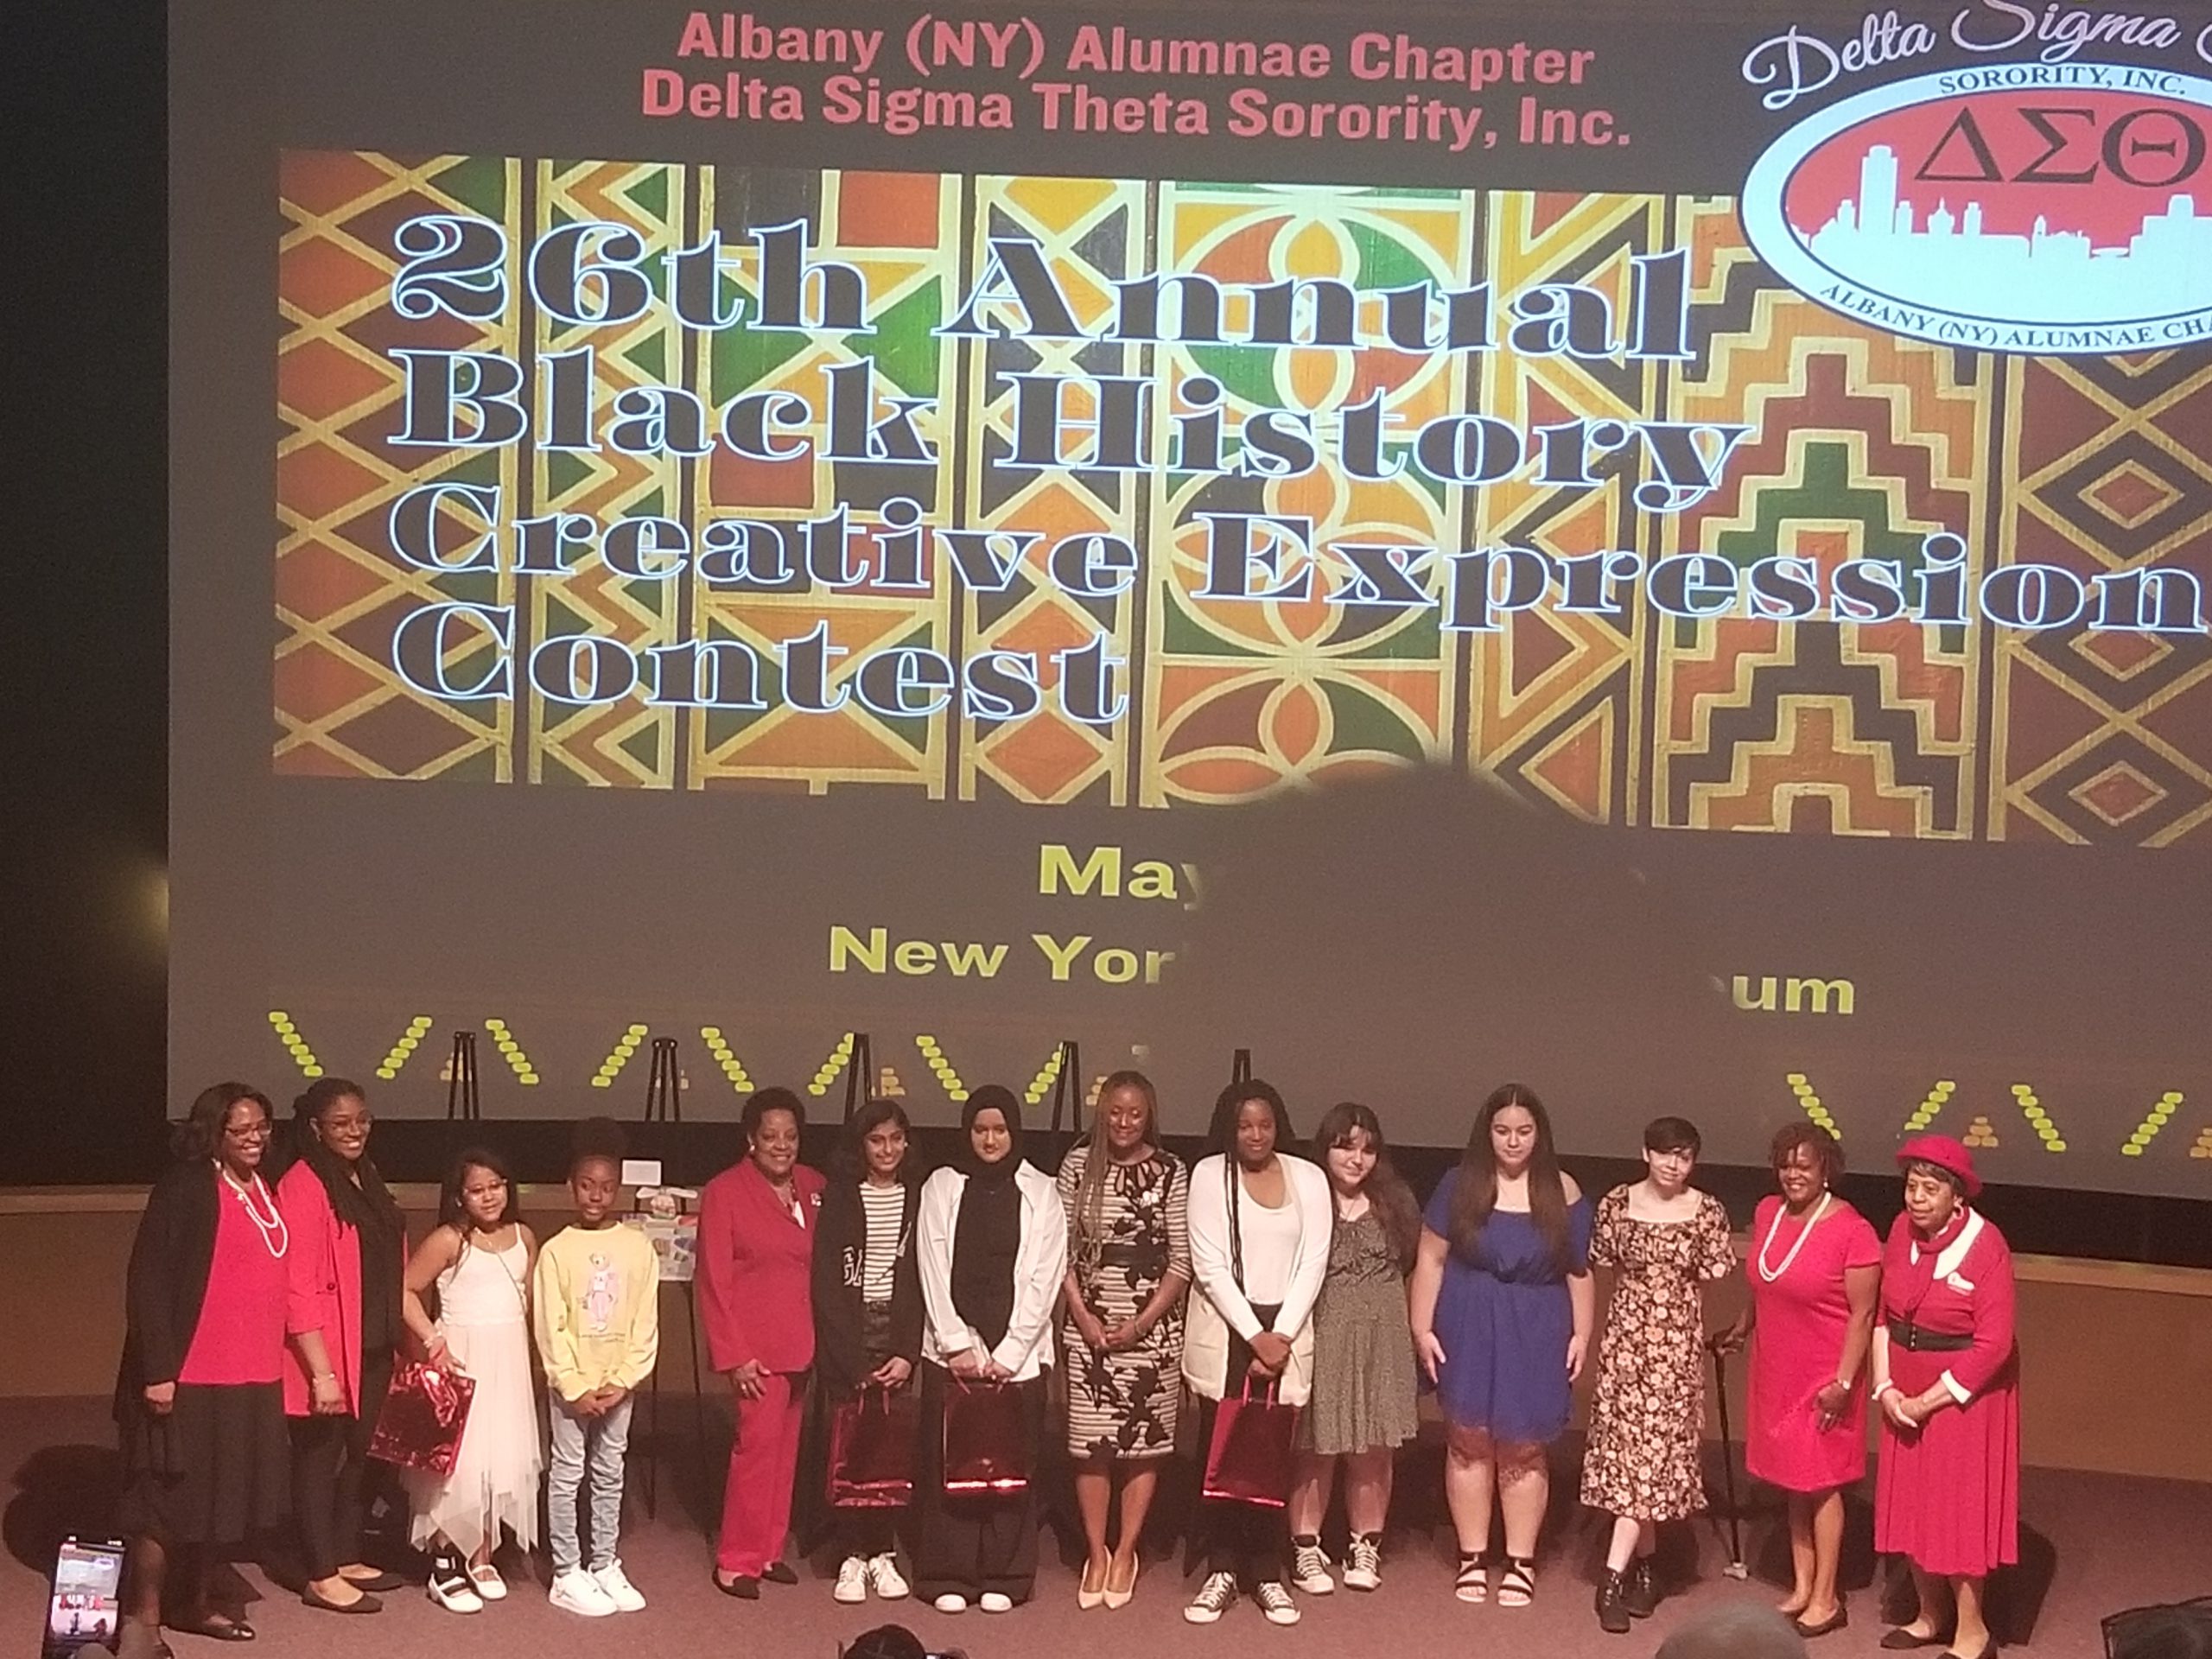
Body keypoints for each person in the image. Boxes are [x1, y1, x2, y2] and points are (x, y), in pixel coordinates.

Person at [114, 1084, 294, 1656]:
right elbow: (149, 1281)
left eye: (262, 1127)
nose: (255, 1138)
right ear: (213, 1132)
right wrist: (158, 1371)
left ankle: (194, 1603)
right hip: (188, 1373)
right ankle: (143, 1621)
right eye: (241, 1129)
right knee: (165, 1504)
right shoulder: (187, 1186)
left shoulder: (264, 1187)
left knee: (221, 1501)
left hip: (252, 1373)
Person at [1408, 1082, 1592, 1610]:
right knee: (1468, 1438)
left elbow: (1579, 1270)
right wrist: (1422, 1329)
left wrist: (1582, 1333)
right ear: (1487, 1133)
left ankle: (1519, 1560)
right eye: (1503, 1131)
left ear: (1540, 1134)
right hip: (1467, 1320)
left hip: (1537, 1325)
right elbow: (1431, 1260)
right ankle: (1471, 1556)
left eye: (1524, 1132)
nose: (1513, 1142)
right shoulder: (1459, 1184)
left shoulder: (1564, 1190)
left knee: (1523, 1445)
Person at [1714, 1123, 1880, 1640]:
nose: (1793, 1175)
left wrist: (1845, 1382)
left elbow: (1864, 1315)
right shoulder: (1768, 1213)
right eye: (1785, 1165)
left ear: (1825, 1168)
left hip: (1827, 1377)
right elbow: (1768, 1285)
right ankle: (1802, 1584)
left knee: (1822, 1482)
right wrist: (1742, 1328)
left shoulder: (1854, 1231)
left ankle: (1828, 1598)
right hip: (1776, 1369)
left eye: (1804, 1166)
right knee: (1792, 1482)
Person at [911, 1086, 1069, 1614]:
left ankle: (1007, 1572)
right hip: (951, 1355)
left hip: (1017, 1360)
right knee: (947, 1463)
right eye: (980, 1130)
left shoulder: (1042, 1192)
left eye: (1000, 1130)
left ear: (1014, 1133)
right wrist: (957, 1343)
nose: (990, 1139)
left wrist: (1012, 1350)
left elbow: (1046, 1276)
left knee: (1010, 1467)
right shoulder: (941, 1185)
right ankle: (946, 1572)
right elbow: (930, 1268)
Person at [1182, 1078, 1332, 1628]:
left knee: (1274, 1454)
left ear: (1279, 1125)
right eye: (1244, 1125)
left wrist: (1282, 1334)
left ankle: (1267, 1571)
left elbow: (1314, 1258)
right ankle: (1222, 1569)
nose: (1255, 1135)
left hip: (1285, 1332)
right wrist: (1255, 1337)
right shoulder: (1208, 1175)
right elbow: (1209, 1264)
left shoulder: (1309, 1178)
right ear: (1229, 1127)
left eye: (1264, 1124)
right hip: (1230, 1334)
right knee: (1220, 1452)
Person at [1581, 1116, 1737, 1633]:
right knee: (1631, 1464)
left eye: (1685, 1156)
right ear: (1646, 1153)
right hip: (1626, 1349)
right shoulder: (1616, 1205)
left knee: (1651, 1466)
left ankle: (1613, 1577)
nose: (1675, 1164)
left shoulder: (1707, 1211)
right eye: (1666, 1153)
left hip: (1675, 1354)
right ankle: (1644, 1569)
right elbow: (1598, 1265)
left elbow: (1712, 1282)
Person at [1872, 1135, 2019, 1659]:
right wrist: (1885, 1387)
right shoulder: (1898, 1231)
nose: (1916, 1197)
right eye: (1911, 1186)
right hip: (1902, 1387)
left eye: (1930, 1188)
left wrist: (1928, 1399)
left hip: (1962, 1399)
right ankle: (1929, 1614)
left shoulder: (1986, 1245)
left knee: (1955, 1513)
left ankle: (1972, 1630)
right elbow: (1885, 1317)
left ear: (1957, 1196)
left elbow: (1995, 1343)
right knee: (1911, 1506)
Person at [1058, 1070, 1191, 1611]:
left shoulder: (1170, 1171)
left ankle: (1127, 1549)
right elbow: (1058, 1251)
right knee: (1091, 1448)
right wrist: (1085, 1317)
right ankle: (1096, 1551)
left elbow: (1181, 1262)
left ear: (1149, 1115)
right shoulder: (1076, 1165)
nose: (1124, 1122)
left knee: (1143, 1447)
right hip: (1088, 1322)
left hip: (1152, 1329)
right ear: (1102, 1111)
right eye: (1116, 1111)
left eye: (1135, 1113)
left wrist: (1139, 1326)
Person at [277, 1077, 409, 1615]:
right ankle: (320, 1573)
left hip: (373, 1342)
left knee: (362, 1454)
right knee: (318, 1458)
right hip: (326, 1354)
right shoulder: (304, 1184)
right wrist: (322, 1372)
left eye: (362, 1120)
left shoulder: (364, 1175)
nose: (355, 1131)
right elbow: (297, 1284)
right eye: (341, 1123)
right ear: (315, 1128)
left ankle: (347, 1553)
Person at [398, 1147, 543, 1614]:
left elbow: (530, 1299)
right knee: (455, 1463)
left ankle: (483, 1553)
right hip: (463, 1359)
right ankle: (444, 1563)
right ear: (459, 1196)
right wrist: (432, 1338)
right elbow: (404, 1291)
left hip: (509, 1362)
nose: (489, 1198)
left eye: (496, 1187)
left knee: (499, 1455)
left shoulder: (523, 1236)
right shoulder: (448, 1240)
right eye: (477, 1190)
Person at [1286, 1102, 1421, 1596]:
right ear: (1325, 1148)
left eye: (1366, 1148)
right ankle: (1306, 1546)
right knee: (1315, 1446)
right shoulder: (1305, 1199)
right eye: (1345, 1145)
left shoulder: (1396, 1201)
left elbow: (1409, 1263)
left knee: (1372, 1449)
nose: (1356, 1158)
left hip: (1381, 1336)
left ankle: (1366, 1544)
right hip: (1322, 1332)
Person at [700, 1087, 827, 1598]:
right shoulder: (725, 1191)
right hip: (755, 1350)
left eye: (790, 1136)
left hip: (803, 1344)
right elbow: (713, 1280)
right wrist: (734, 1356)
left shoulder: (815, 1185)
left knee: (786, 1455)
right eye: (770, 1136)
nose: (781, 1145)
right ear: (751, 1139)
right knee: (755, 1452)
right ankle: (736, 1560)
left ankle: (770, 1549)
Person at [532, 1118, 659, 1618]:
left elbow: (644, 1322)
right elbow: (550, 1324)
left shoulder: (638, 1246)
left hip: (617, 1387)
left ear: (619, 1189)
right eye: (587, 1186)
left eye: (607, 1187)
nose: (596, 1196)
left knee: (609, 1471)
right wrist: (573, 1385)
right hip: (573, 1387)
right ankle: (567, 1570)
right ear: (571, 1187)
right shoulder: (557, 1250)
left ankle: (603, 1561)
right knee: (568, 1474)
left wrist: (623, 1379)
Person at [812, 1098, 924, 1605]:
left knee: (890, 1446)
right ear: (861, 1145)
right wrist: (850, 1360)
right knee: (849, 1447)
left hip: (895, 1330)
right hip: (849, 1338)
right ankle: (852, 1555)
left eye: (896, 1139)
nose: (887, 1149)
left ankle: (883, 1552)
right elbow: (827, 1286)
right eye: (877, 1140)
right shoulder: (841, 1197)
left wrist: (907, 1351)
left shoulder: (918, 1197)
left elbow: (924, 1281)